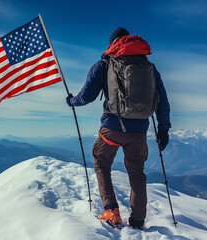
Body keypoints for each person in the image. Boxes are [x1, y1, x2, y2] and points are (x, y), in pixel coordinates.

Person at [66, 27, 171, 229]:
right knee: (137, 174)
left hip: (111, 129)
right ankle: (138, 221)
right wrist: (163, 129)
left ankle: (111, 211)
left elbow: (86, 96)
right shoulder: (149, 68)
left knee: (102, 164)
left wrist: (71, 101)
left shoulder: (104, 64)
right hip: (139, 131)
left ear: (113, 44)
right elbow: (162, 100)